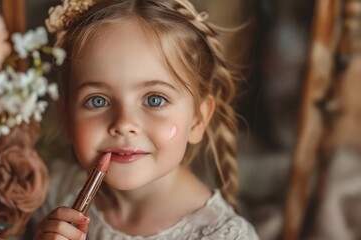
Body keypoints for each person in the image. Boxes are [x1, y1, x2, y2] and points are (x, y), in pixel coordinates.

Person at [34, 0, 259, 239]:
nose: (124, 124)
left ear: (197, 120)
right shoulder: (51, 193)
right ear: (67, 118)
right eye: (97, 101)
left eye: (155, 100)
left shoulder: (223, 235)